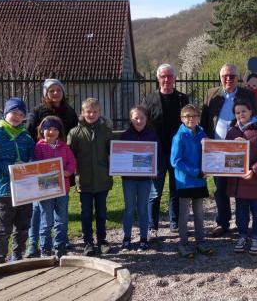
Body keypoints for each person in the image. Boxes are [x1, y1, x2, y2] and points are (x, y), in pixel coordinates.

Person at [201, 63, 257, 237]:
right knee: (221, 189)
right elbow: (204, 121)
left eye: (232, 76)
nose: (228, 79)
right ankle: (223, 222)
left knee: (241, 187)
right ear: (220, 78)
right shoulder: (212, 94)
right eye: (225, 76)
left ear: (237, 78)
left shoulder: (247, 94)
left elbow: (255, 117)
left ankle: (243, 223)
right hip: (218, 152)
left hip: (239, 151)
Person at [25, 78, 78, 258]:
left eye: (58, 90)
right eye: (51, 90)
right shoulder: (38, 111)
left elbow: (74, 134)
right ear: (46, 94)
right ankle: (35, 243)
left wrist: (68, 170)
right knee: (38, 210)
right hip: (42, 177)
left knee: (60, 214)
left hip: (62, 173)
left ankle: (60, 242)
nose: (55, 93)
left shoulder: (69, 112)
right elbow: (28, 132)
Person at [0, 97, 34, 264]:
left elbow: (32, 157)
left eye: (21, 114)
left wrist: (31, 165)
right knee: (4, 227)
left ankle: (17, 257)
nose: (17, 116)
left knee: (23, 226)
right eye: (13, 112)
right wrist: (10, 168)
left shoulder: (26, 137)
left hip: (24, 188)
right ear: (5, 113)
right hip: (4, 189)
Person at [142, 64, 189, 238]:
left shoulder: (183, 99)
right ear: (158, 78)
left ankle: (174, 222)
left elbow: (190, 123)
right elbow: (143, 124)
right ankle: (152, 226)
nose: (166, 79)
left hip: (177, 152)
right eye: (163, 76)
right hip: (157, 153)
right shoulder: (149, 99)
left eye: (169, 76)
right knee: (155, 192)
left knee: (175, 190)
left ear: (174, 78)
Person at [225, 99, 257, 255]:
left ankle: (256, 238)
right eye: (237, 112)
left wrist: (253, 170)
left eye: (243, 111)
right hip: (237, 181)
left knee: (256, 210)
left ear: (251, 112)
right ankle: (242, 236)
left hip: (253, 179)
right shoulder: (231, 132)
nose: (241, 114)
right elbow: (224, 153)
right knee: (240, 210)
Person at [67, 98, 113, 256]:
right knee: (86, 213)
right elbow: (69, 156)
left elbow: (112, 151)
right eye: (88, 111)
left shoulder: (106, 130)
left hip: (102, 179)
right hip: (84, 180)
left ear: (99, 112)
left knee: (101, 212)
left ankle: (102, 241)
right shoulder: (74, 133)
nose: (91, 114)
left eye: (95, 111)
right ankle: (88, 242)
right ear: (83, 112)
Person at [171, 104, 214, 258]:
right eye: (187, 116)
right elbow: (176, 161)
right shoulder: (179, 137)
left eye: (194, 115)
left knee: (199, 213)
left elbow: (210, 153)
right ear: (182, 119)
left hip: (200, 181)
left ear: (199, 118)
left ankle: (201, 242)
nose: (191, 119)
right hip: (185, 181)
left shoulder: (203, 134)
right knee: (183, 215)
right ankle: (183, 243)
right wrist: (196, 172)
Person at [34, 116, 76, 259]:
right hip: (45, 190)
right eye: (48, 129)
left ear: (59, 132)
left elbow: (72, 162)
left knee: (62, 219)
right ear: (42, 131)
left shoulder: (64, 147)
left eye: (55, 129)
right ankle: (45, 248)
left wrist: (67, 172)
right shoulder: (39, 147)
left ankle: (60, 246)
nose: (51, 132)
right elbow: (35, 165)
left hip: (62, 189)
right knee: (46, 221)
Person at [120, 106, 159, 252]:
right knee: (129, 209)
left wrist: (155, 168)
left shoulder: (152, 136)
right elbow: (121, 156)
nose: (139, 120)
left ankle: (144, 239)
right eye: (136, 117)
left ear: (146, 119)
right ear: (131, 119)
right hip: (128, 179)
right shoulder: (125, 136)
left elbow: (157, 154)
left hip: (145, 179)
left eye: (142, 117)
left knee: (143, 209)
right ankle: (126, 239)